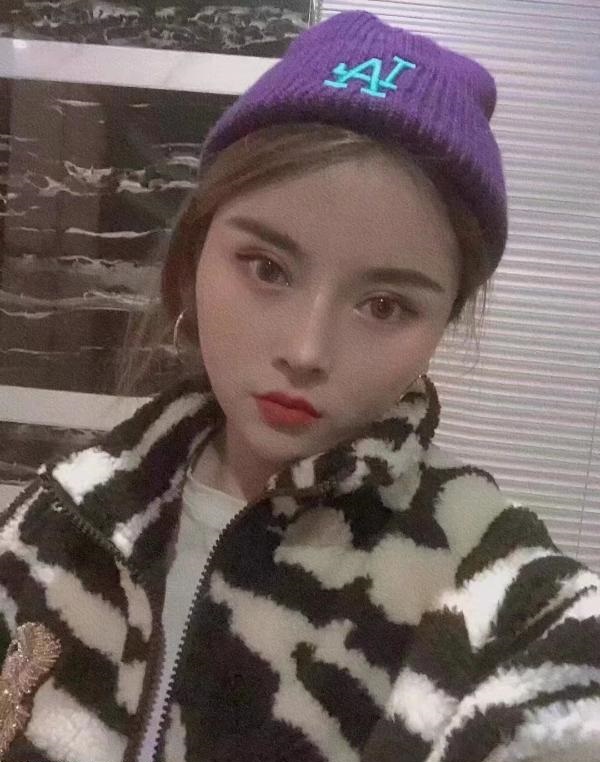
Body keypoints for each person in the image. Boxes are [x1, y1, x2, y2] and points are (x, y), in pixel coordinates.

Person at [0, 10, 598, 762]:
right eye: (267, 268)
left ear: (442, 322)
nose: (305, 350)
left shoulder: (491, 586)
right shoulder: (64, 516)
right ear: (195, 251)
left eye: (386, 306)